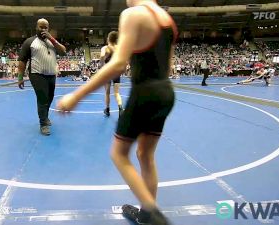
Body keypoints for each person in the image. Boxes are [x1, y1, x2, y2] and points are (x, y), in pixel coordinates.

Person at [57, 0, 176, 224]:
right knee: (145, 155)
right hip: (165, 92)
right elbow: (167, 66)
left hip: (146, 93)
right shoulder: (167, 20)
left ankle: (154, 215)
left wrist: (76, 96)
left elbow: (118, 64)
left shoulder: (133, 14)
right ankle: (147, 213)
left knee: (119, 154)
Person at [18, 18, 66, 136]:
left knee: (50, 98)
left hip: (51, 75)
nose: (43, 29)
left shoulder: (52, 42)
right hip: (37, 74)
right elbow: (22, 61)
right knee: (43, 98)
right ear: (36, 27)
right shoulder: (30, 42)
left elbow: (63, 51)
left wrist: (51, 38)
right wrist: (20, 78)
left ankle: (45, 117)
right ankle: (43, 124)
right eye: (41, 27)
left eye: (46, 27)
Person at [101, 31, 124, 117]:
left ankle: (107, 109)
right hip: (116, 71)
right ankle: (120, 109)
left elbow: (102, 56)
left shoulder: (105, 48)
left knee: (107, 92)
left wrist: (102, 65)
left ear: (108, 39)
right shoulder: (119, 48)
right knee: (117, 93)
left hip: (108, 71)